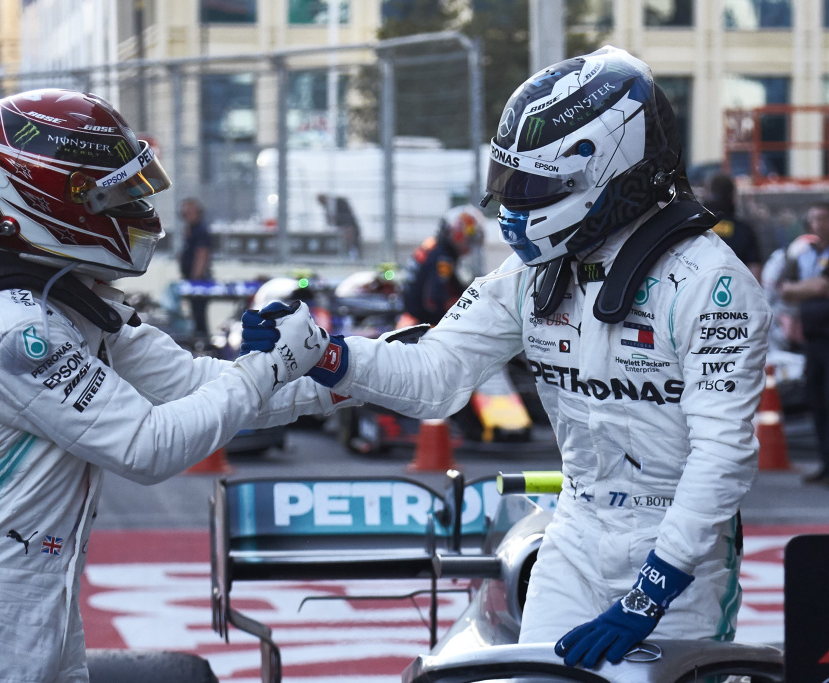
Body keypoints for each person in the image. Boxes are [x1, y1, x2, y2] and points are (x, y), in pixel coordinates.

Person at [259, 47, 771, 669]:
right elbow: (436, 376)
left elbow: (723, 457)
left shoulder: (711, 283)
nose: (515, 205)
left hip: (683, 559)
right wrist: (328, 354)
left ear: (613, 171)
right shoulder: (527, 275)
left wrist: (653, 590)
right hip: (576, 532)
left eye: (535, 186)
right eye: (509, 183)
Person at [0, 89, 334, 683]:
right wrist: (270, 366)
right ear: (43, 204)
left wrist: (342, 381)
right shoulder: (13, 329)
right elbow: (148, 447)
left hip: (46, 607)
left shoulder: (73, 305)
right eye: (115, 194)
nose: (138, 210)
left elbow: (193, 384)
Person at [776, 202, 829, 484]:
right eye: (814, 220)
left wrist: (805, 290)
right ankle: (825, 463)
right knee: (816, 401)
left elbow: (823, 286)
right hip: (812, 339)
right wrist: (809, 289)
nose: (818, 225)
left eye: (823, 219)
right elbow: (784, 289)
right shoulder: (804, 254)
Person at [400, 204, 486, 325]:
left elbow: (454, 284)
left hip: (411, 310)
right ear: (459, 235)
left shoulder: (435, 246)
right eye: (470, 240)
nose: (470, 248)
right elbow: (435, 298)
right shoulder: (443, 257)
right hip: (421, 320)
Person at [704, 172, 764, 281]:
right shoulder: (745, 232)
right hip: (735, 293)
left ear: (707, 194)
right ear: (732, 196)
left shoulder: (695, 229)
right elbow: (755, 276)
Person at [178, 197, 213, 338]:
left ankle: (202, 339)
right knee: (194, 313)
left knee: (199, 313)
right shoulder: (190, 229)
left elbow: (202, 254)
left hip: (198, 281)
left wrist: (195, 278)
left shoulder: (200, 229)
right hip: (191, 279)